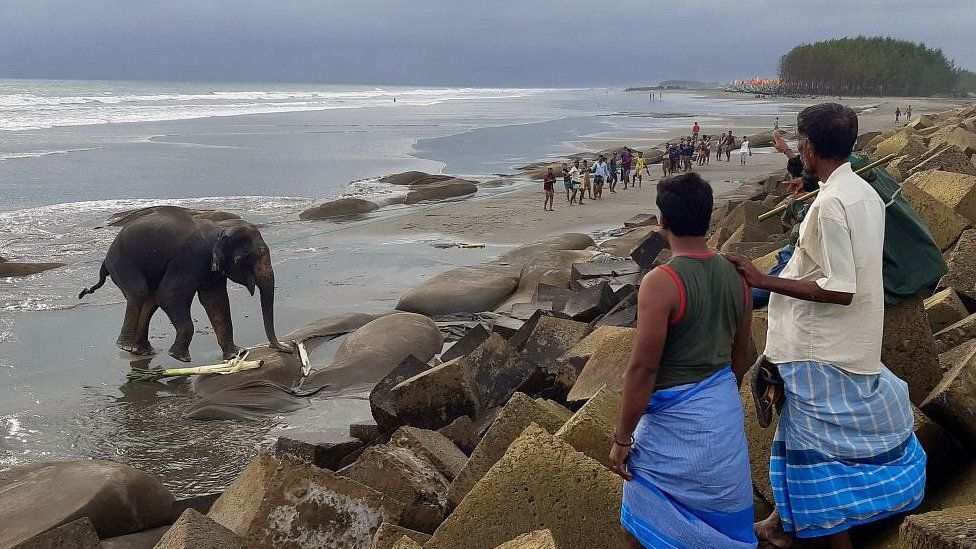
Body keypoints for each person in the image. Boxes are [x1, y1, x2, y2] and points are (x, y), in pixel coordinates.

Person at [725, 103, 926, 549]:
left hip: (820, 352)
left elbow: (841, 288)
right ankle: (780, 525)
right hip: (847, 343)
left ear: (809, 147)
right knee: (801, 442)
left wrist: (761, 280)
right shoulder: (862, 192)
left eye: (800, 142)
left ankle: (827, 536)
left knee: (817, 458)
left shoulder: (832, 204)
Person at [610, 172, 756, 549]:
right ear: (708, 217)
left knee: (638, 527)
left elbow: (644, 368)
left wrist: (622, 439)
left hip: (673, 432)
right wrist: (717, 400)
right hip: (721, 421)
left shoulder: (661, 281)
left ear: (663, 222)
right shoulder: (737, 275)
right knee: (722, 527)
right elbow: (742, 354)